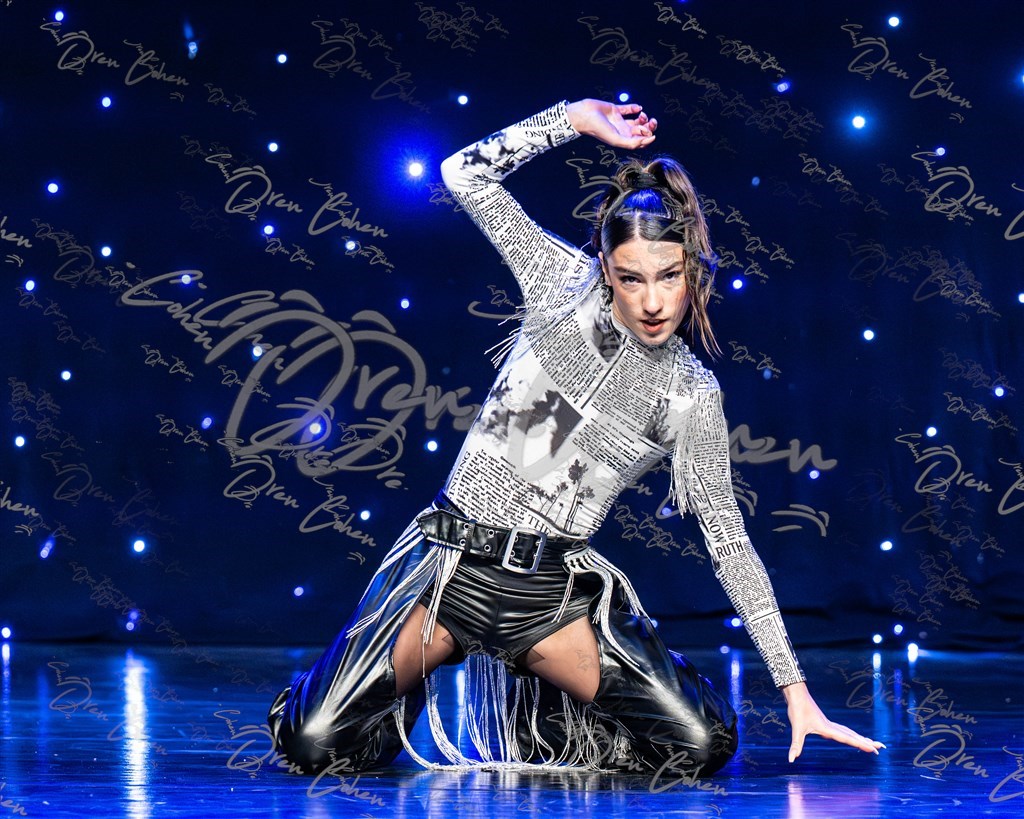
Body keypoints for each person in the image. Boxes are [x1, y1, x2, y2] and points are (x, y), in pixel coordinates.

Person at [267, 98, 884, 778]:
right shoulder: (561, 284)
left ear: (693, 268)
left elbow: (728, 542)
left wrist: (796, 690)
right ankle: (387, 693)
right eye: (631, 278)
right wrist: (572, 120)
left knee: (702, 744)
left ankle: (549, 712)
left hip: (549, 597)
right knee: (312, 743)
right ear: (606, 268)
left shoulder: (691, 392)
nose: (652, 301)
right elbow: (462, 174)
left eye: (669, 277)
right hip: (449, 570)